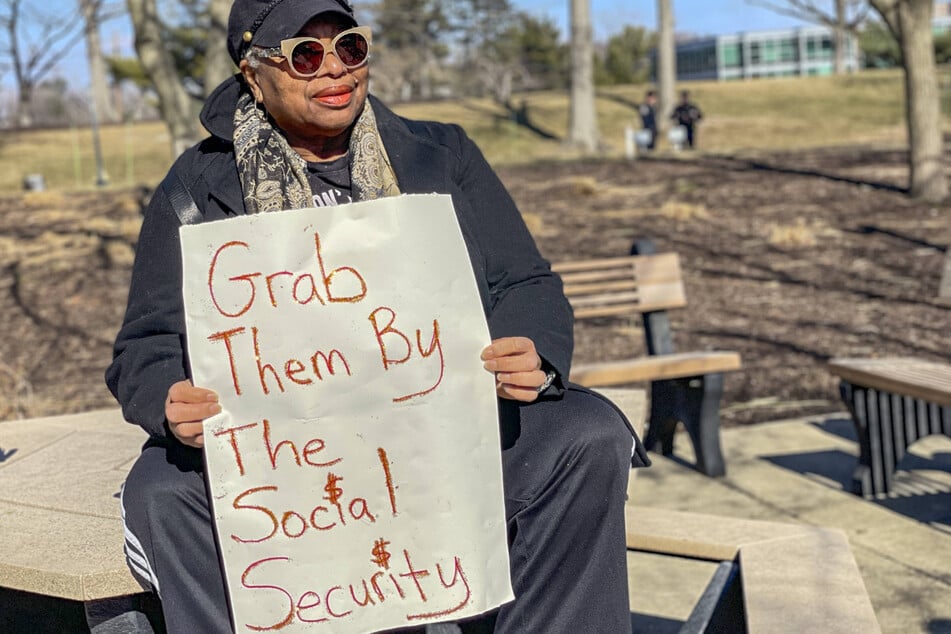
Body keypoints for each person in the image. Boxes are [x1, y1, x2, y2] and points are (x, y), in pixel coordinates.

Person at [105, 0, 648, 632]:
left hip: (442, 432)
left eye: (350, 48)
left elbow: (526, 283)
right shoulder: (193, 188)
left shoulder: (442, 153)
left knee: (585, 435)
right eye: (305, 55)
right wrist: (169, 400)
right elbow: (145, 346)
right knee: (161, 492)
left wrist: (531, 350)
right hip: (290, 459)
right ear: (253, 75)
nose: (334, 70)